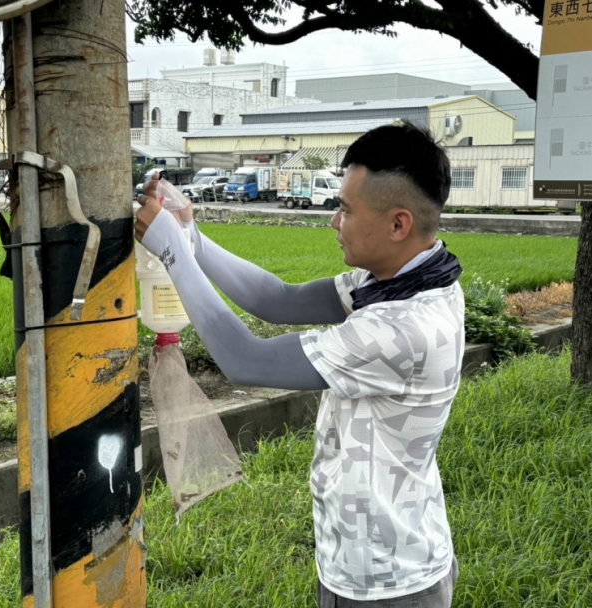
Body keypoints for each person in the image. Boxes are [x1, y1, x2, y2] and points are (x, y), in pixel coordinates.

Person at [135, 121, 463, 607]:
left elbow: (247, 359)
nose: (334, 222)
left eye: (346, 209)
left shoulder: (402, 329)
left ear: (398, 224)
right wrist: (192, 237)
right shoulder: (407, 281)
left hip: (388, 582)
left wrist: (171, 250)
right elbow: (278, 299)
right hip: (363, 557)